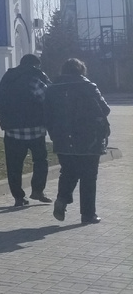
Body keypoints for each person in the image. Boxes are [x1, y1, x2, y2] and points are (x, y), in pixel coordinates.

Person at [44, 58, 110, 225]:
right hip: (89, 138)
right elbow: (105, 109)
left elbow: (46, 115)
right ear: (81, 70)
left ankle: (62, 199)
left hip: (62, 138)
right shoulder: (88, 86)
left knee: (68, 171)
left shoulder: (52, 89)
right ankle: (88, 215)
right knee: (89, 177)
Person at [0, 53, 51, 206]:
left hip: (12, 131)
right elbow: (48, 98)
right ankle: (37, 190)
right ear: (35, 65)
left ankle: (18, 197)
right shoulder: (34, 79)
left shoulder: (7, 79)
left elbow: (0, 103)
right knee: (40, 161)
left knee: (14, 165)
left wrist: (4, 122)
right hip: (35, 130)